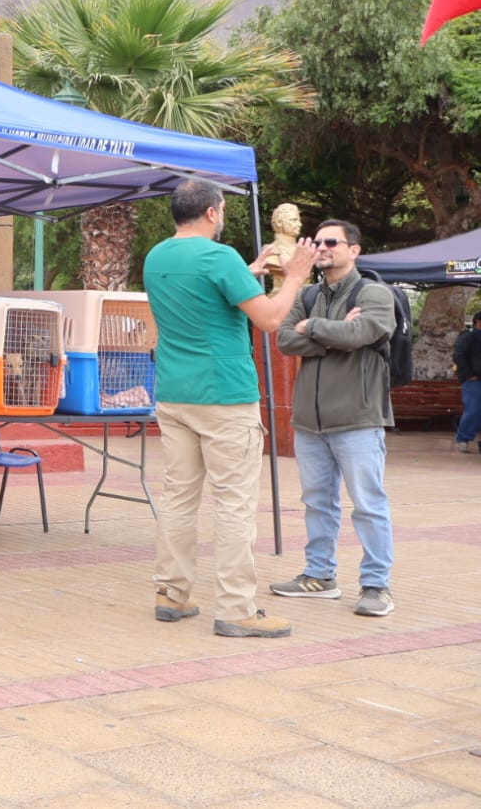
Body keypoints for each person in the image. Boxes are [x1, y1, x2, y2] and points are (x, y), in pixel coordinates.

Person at [144, 179, 316, 638]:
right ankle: (237, 609)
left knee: (179, 496)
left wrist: (251, 268)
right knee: (234, 504)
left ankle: (171, 593)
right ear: (213, 213)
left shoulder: (157, 256)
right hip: (224, 396)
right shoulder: (219, 258)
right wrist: (295, 276)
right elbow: (271, 319)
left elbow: (203, 292)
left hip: (175, 392)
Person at [272, 220, 397, 618]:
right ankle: (319, 576)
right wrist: (333, 331)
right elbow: (284, 338)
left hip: (358, 419)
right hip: (310, 422)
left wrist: (317, 330)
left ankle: (377, 586)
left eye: (332, 242)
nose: (322, 247)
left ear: (354, 250)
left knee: (368, 504)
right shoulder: (308, 294)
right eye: (318, 241)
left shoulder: (374, 291)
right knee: (317, 503)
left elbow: (362, 333)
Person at [453, 311, 481, 454]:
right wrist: (468, 374)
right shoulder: (468, 337)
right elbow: (458, 355)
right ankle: (463, 438)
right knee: (474, 409)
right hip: (473, 380)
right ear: (478, 321)